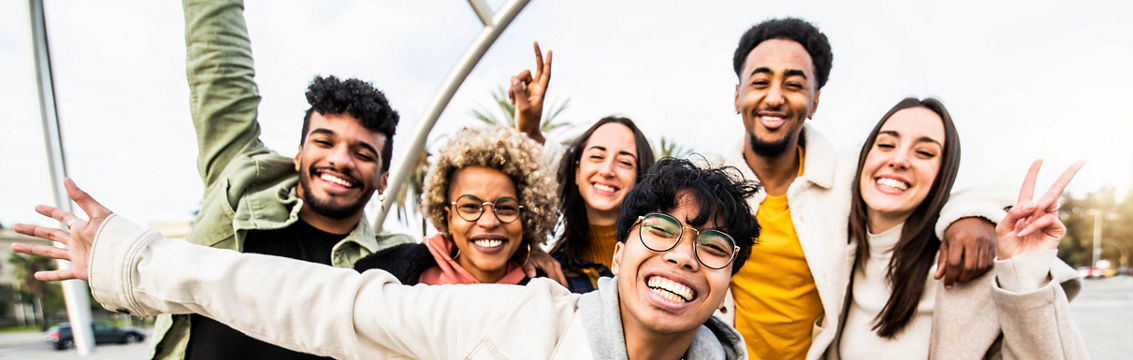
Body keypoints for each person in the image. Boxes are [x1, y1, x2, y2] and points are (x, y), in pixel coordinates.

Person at [13, 158, 760, 359]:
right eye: (661, 231)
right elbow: (336, 306)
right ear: (622, 246)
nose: (685, 256)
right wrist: (138, 262)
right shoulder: (517, 323)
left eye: (713, 244)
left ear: (728, 278)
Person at [719, 18, 1008, 359]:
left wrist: (972, 217)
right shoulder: (712, 185)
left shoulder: (848, 177)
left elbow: (924, 187)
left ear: (814, 103)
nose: (775, 97)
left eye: (794, 85)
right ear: (738, 96)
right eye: (760, 82)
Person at [153, 0, 413, 358]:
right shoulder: (243, 181)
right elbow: (220, 73)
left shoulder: (395, 260)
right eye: (324, 141)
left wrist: (521, 134)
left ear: (383, 179)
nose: (339, 160)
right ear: (298, 154)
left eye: (363, 153)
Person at [833, 98, 1087, 359]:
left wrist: (1024, 271)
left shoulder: (968, 264)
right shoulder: (835, 249)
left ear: (942, 177)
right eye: (886, 145)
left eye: (924, 153)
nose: (899, 160)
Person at [508, 43, 659, 293]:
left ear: (641, 179)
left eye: (625, 162)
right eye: (597, 156)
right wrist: (529, 132)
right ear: (577, 171)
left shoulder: (657, 267)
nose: (607, 170)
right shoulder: (550, 271)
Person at [353, 126, 559, 286]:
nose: (489, 221)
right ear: (448, 218)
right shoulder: (389, 274)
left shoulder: (545, 291)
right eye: (470, 207)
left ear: (526, 218)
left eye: (505, 208)